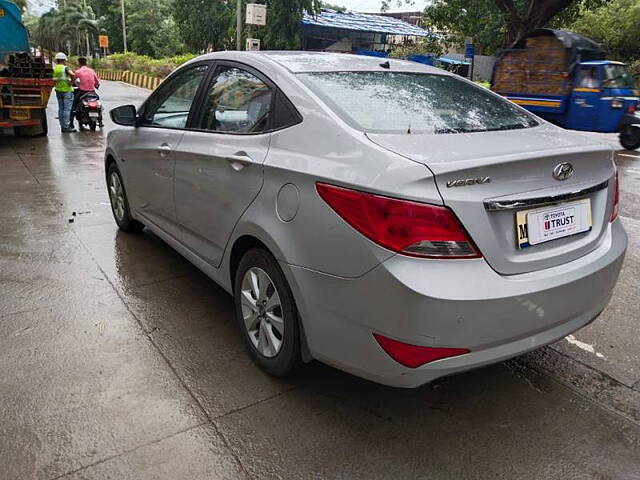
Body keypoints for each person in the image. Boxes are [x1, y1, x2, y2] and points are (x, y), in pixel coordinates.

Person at [71, 57, 101, 130]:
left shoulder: (78, 71)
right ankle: (100, 121)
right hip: (92, 92)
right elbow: (97, 82)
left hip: (83, 92)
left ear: (79, 63)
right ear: (86, 63)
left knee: (73, 106)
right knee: (98, 102)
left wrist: (71, 83)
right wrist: (96, 85)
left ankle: (71, 124)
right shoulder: (92, 71)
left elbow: (72, 80)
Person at [52, 52, 75, 133]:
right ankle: (66, 126)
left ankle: (62, 126)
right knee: (67, 109)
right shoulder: (65, 68)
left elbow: (53, 80)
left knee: (61, 109)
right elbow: (73, 75)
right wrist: (71, 83)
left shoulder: (54, 69)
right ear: (64, 60)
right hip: (67, 91)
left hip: (58, 90)